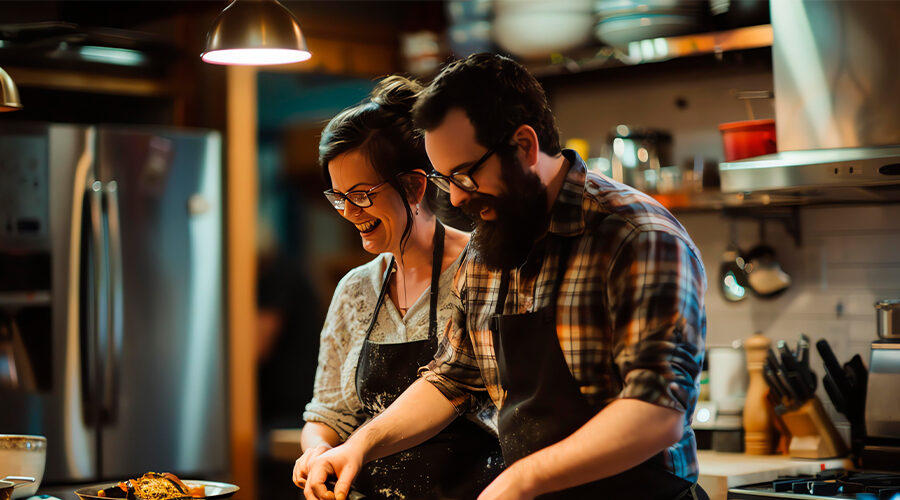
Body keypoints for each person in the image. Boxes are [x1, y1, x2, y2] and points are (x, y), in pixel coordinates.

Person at [300, 53, 709, 500]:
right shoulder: (488, 247)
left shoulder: (636, 236)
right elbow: (451, 379)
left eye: (465, 175)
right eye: (444, 179)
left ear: (524, 146)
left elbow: (658, 410)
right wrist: (358, 446)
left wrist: (523, 479)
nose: (455, 199)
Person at [293, 75, 504, 500]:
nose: (349, 212)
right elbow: (328, 412)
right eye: (338, 197)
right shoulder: (356, 290)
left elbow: (457, 389)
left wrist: (355, 446)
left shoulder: (483, 271)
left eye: (361, 194)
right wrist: (316, 452)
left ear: (413, 186)